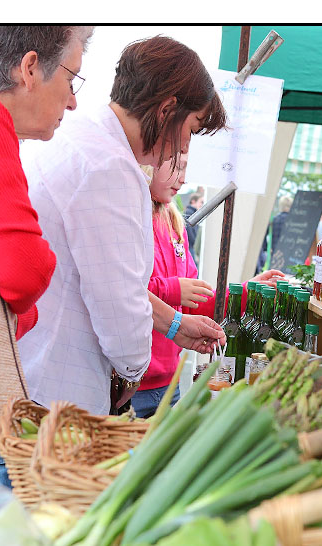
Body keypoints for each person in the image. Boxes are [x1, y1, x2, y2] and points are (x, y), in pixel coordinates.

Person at [18, 35, 228, 417]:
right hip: (57, 403)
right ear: (167, 110)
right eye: (191, 130)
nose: (184, 147)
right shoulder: (110, 167)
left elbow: (106, 281)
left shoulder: (80, 139)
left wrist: (175, 324)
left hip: (32, 381)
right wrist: (132, 370)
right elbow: (119, 310)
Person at [0, 25, 95, 479]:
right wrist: (23, 300)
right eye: (71, 78)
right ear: (29, 68)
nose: (74, 100)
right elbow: (25, 270)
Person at [133, 154, 214, 418]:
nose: (183, 177)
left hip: (169, 382)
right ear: (148, 162)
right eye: (176, 167)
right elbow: (121, 288)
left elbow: (196, 298)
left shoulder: (173, 223)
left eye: (185, 168)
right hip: (131, 384)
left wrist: (247, 291)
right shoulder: (130, 217)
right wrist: (172, 290)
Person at [257, 194, 293, 270]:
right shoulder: (295, 222)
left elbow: (263, 236)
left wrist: (266, 248)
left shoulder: (274, 220)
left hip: (276, 253)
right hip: (291, 252)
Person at [182, 191, 203, 259]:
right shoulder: (189, 213)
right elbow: (189, 232)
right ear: (193, 201)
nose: (201, 204)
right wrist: (195, 243)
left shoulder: (192, 213)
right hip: (189, 247)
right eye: (200, 202)